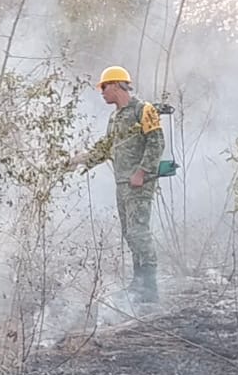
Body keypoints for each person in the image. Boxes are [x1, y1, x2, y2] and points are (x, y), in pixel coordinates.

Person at [69, 65, 166, 303]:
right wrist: (79, 160)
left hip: (139, 184)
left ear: (115, 85)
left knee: (139, 232)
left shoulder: (144, 110)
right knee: (129, 234)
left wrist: (141, 172)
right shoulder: (115, 116)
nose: (101, 92)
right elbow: (107, 147)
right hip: (122, 183)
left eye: (104, 87)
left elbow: (156, 143)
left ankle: (150, 289)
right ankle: (138, 283)